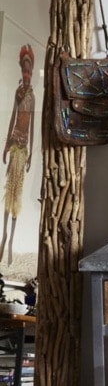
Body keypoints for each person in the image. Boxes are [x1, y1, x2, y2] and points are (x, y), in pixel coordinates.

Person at [1, 44, 36, 265]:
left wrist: (31, 153)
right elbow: (13, 118)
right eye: (24, 71)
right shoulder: (19, 93)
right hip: (15, 146)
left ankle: (12, 239)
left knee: (17, 194)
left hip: (23, 150)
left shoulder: (32, 97)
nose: (26, 75)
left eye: (28, 72)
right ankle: (4, 234)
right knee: (9, 192)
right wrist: (6, 146)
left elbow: (31, 126)